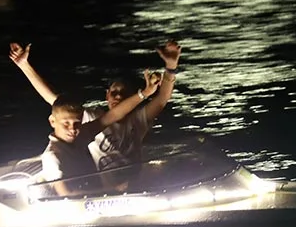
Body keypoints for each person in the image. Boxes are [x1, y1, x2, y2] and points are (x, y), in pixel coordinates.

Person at [9, 40, 181, 171]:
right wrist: (25, 65)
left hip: (136, 181)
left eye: (124, 93)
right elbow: (56, 102)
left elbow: (161, 99)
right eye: (114, 92)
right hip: (106, 189)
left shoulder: (139, 120)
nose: (118, 96)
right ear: (106, 95)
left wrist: (171, 66)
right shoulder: (94, 118)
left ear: (132, 98)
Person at [39, 72, 163, 184]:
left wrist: (145, 93)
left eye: (77, 123)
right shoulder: (53, 155)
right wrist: (111, 190)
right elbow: (66, 194)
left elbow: (113, 115)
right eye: (66, 124)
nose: (72, 129)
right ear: (52, 121)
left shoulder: (81, 135)